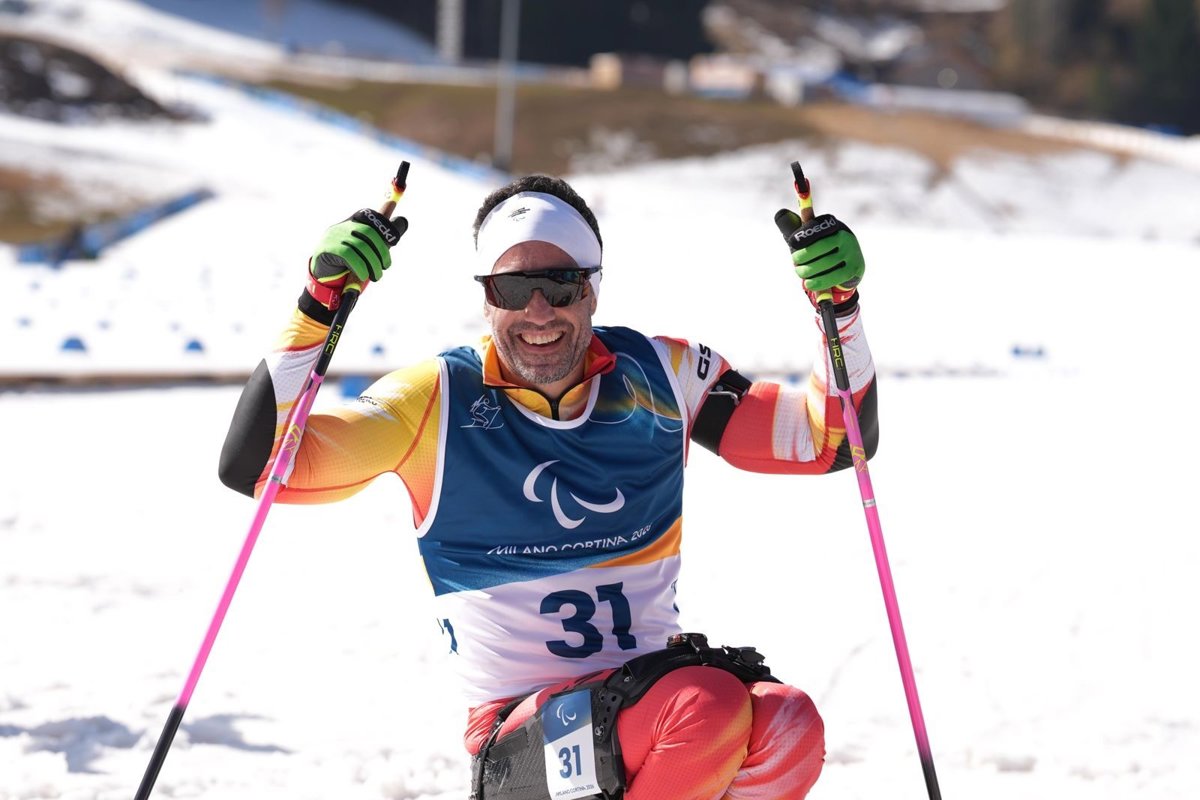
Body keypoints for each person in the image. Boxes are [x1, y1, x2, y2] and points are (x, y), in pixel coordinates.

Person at [218, 173, 878, 799]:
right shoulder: (437, 399)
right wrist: (320, 303)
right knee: (707, 706)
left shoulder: (662, 376)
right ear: (486, 296)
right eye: (512, 287)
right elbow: (261, 467)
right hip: (521, 747)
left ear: (592, 289)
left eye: (560, 284)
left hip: (652, 709)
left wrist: (839, 309)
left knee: (788, 722)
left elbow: (828, 441)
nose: (537, 311)